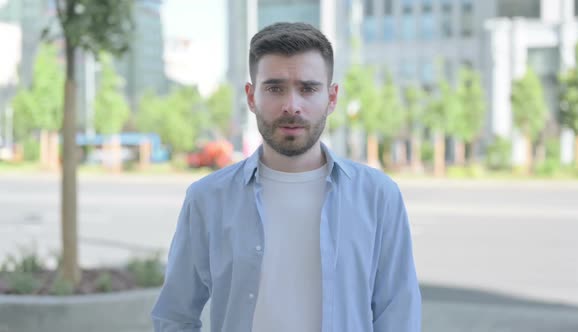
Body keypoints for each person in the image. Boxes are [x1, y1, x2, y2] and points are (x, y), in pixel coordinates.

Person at [151, 22, 421, 332]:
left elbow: (398, 315)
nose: (291, 106)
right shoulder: (207, 198)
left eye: (308, 88)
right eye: (275, 88)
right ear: (251, 96)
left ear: (332, 97)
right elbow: (175, 314)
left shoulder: (379, 196)